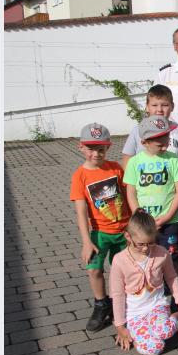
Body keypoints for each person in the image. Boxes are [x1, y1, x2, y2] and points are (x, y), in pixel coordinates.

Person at [121, 84, 178, 265]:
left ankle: (174, 273)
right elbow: (127, 160)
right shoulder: (137, 130)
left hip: (175, 198)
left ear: (172, 106)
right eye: (154, 105)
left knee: (176, 245)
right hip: (147, 202)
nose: (159, 109)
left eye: (164, 105)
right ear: (147, 107)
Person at [69, 123, 131, 332]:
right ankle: (100, 304)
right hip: (99, 233)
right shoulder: (80, 176)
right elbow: (81, 211)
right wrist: (87, 242)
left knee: (120, 270)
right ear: (81, 148)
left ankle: (118, 303)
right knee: (94, 270)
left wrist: (132, 226)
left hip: (123, 231)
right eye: (91, 148)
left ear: (108, 147)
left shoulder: (115, 168)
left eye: (101, 149)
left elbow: (128, 195)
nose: (96, 153)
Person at [112, 209, 178, 355]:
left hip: (157, 306)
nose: (146, 248)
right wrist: (120, 327)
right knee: (154, 348)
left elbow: (172, 277)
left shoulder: (161, 252)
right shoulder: (119, 260)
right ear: (128, 236)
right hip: (134, 314)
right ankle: (140, 332)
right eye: (141, 244)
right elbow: (117, 295)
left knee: (164, 331)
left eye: (151, 243)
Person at [123, 116, 178, 265]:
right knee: (146, 258)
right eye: (160, 144)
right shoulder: (134, 162)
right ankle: (151, 287)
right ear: (144, 143)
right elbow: (131, 191)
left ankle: (172, 287)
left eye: (167, 141)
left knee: (171, 259)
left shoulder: (174, 159)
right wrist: (138, 214)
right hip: (144, 223)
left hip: (170, 221)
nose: (165, 147)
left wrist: (167, 216)